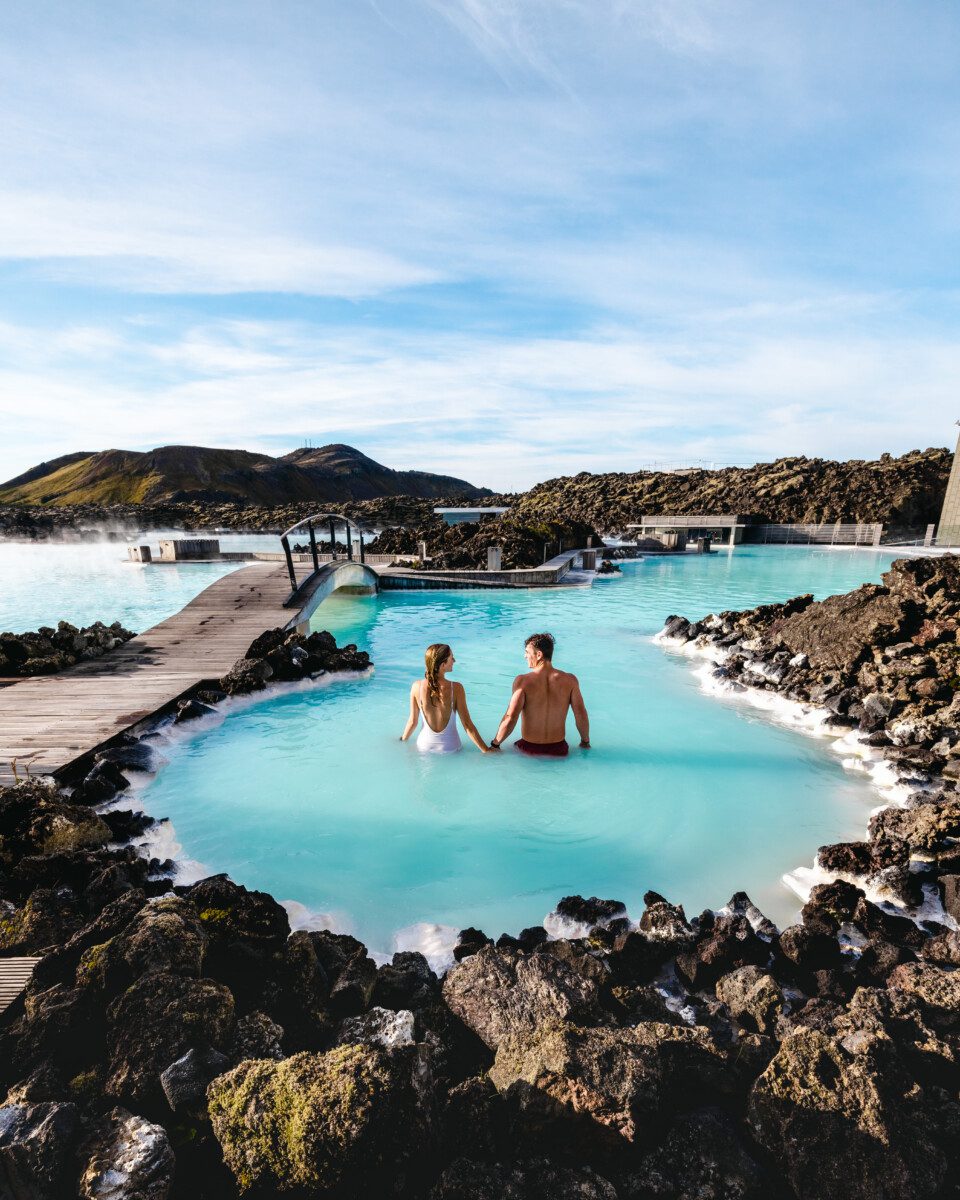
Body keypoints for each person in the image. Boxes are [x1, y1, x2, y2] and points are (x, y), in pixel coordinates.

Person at [490, 632, 590, 757]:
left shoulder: (523, 681)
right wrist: (585, 742)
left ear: (538, 655)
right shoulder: (570, 680)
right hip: (559, 750)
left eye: (527, 652)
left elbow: (511, 717)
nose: (524, 656)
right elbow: (580, 713)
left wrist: (495, 744)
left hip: (528, 750)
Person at [400, 642, 491, 754]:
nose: (454, 661)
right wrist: (486, 750)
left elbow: (412, 722)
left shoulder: (416, 686)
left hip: (424, 747)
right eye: (451, 658)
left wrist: (402, 740)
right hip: (451, 748)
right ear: (443, 665)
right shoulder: (456, 688)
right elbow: (467, 725)